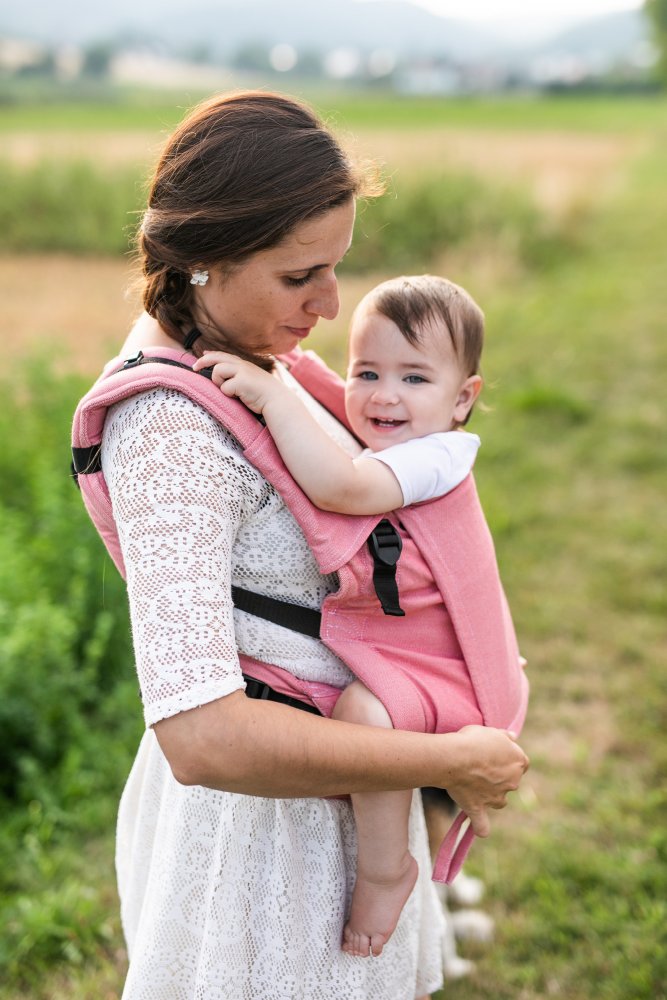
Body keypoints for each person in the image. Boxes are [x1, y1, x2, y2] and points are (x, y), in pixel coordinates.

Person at [82, 90, 528, 1000]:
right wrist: (448, 763)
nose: (330, 303)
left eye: (337, 268)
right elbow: (201, 735)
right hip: (259, 851)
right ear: (203, 261)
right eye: (301, 276)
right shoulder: (167, 433)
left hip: (345, 797)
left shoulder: (255, 366)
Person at [191, 273, 494, 959]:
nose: (383, 395)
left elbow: (342, 487)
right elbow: (325, 391)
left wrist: (270, 394)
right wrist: (290, 369)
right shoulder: (401, 425)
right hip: (410, 649)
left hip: (438, 662)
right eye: (368, 371)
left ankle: (388, 870)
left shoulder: (439, 454)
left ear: (461, 401)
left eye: (414, 378)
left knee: (365, 712)